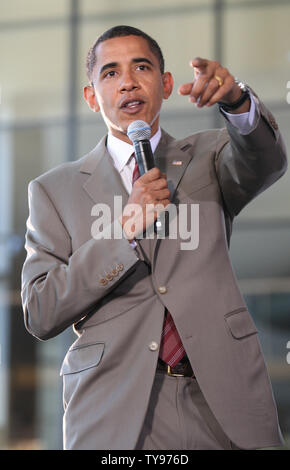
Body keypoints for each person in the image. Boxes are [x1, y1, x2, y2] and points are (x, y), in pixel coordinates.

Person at [21, 25, 287, 450]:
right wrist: (123, 231)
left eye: (140, 67)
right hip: (115, 407)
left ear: (164, 85)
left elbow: (266, 159)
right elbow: (41, 309)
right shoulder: (54, 190)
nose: (127, 80)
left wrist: (237, 101)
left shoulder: (210, 156)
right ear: (92, 97)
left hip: (222, 398)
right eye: (110, 73)